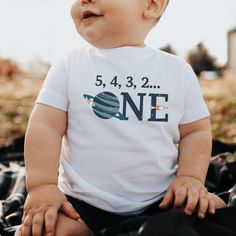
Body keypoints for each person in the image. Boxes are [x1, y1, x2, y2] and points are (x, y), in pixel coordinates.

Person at [16, 0, 227, 235]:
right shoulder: (69, 66)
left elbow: (195, 131)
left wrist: (190, 177)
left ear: (152, 5)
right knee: (42, 230)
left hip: (162, 201)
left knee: (210, 214)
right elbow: (45, 126)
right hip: (83, 204)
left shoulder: (177, 71)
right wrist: (42, 186)